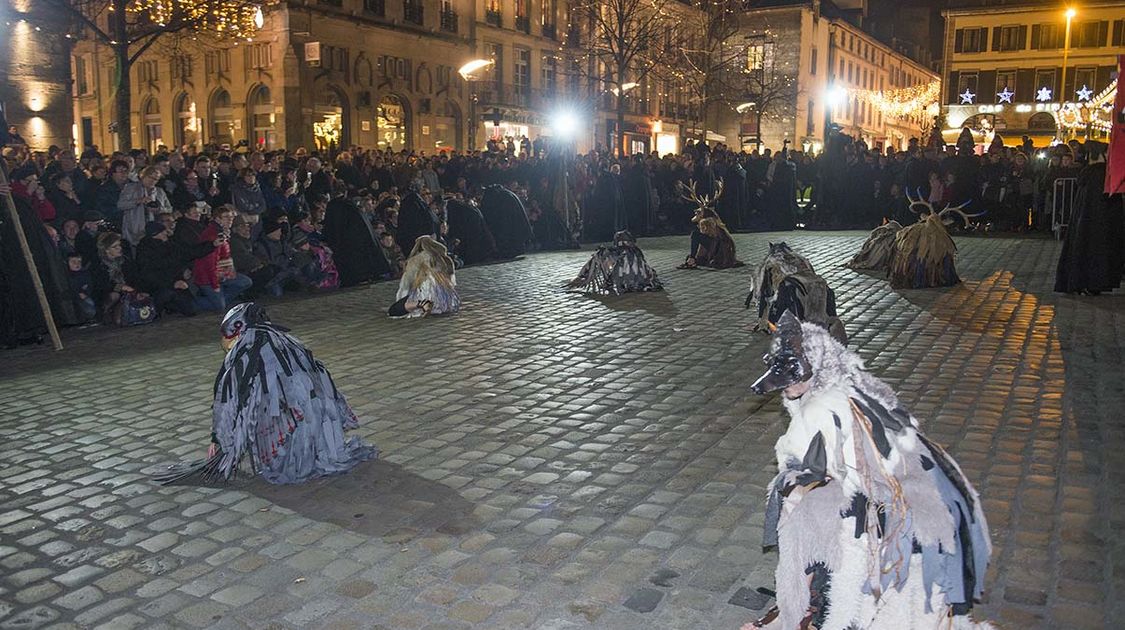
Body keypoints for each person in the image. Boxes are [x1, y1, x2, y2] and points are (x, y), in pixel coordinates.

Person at [744, 313, 992, 630]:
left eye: (795, 380)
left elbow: (861, 479)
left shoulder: (829, 406)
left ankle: (833, 609)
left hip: (903, 508)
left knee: (807, 513)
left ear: (816, 370)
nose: (789, 388)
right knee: (798, 502)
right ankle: (813, 600)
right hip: (888, 491)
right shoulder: (842, 385)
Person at [155, 303, 378, 485]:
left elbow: (230, 402)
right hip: (315, 419)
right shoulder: (287, 341)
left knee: (285, 449)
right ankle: (312, 451)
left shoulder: (247, 353)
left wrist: (220, 441)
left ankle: (295, 454)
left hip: (295, 418)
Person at [1055, 140, 1124, 295]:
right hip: (1098, 224)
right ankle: (1092, 281)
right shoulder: (1100, 174)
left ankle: (1083, 281)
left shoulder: (1091, 172)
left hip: (1088, 222)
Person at [566, 230, 662, 294]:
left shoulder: (611, 252)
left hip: (628, 283)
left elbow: (594, 267)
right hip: (637, 283)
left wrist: (581, 277)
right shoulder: (636, 252)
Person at [387, 235, 460, 318]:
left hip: (425, 294)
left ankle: (423, 303)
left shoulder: (415, 260)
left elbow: (406, 284)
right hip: (446, 301)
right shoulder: (445, 258)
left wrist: (402, 300)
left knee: (393, 310)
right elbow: (452, 282)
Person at [118, 165, 172, 245]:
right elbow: (120, 205)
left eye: (155, 179)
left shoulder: (160, 191)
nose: (152, 181)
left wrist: (158, 209)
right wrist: (138, 201)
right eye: (150, 177)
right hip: (135, 229)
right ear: (143, 175)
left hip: (156, 230)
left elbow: (169, 209)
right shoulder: (131, 187)